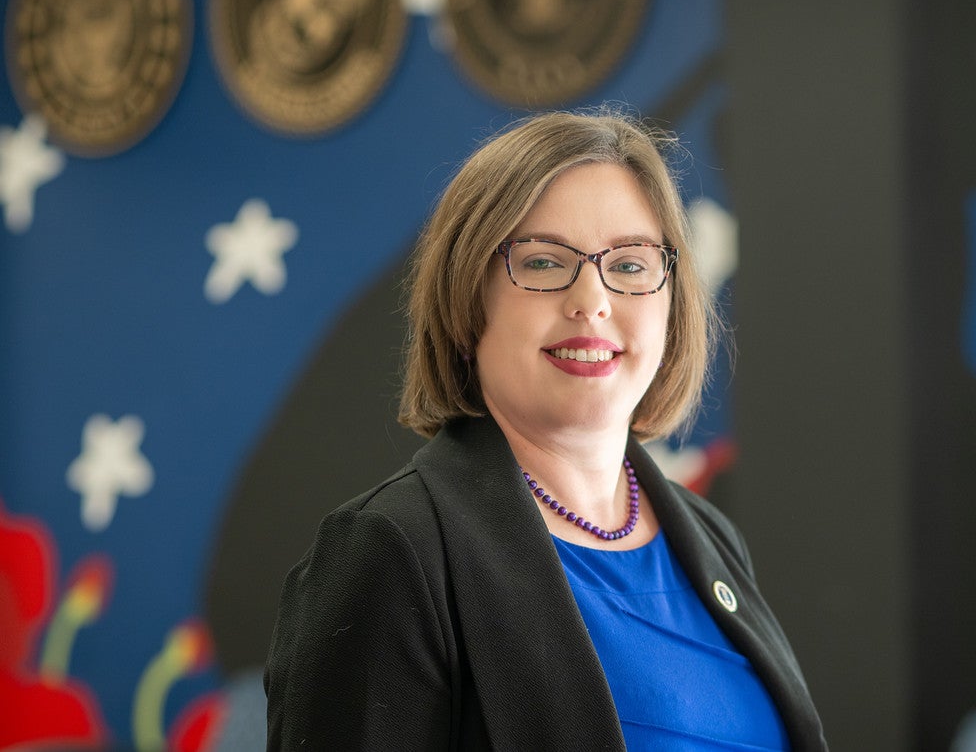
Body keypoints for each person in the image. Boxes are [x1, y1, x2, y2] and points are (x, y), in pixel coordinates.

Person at [264, 110, 827, 750]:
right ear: (466, 299)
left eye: (631, 265)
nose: (592, 302)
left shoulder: (711, 537)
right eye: (541, 262)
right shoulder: (389, 553)